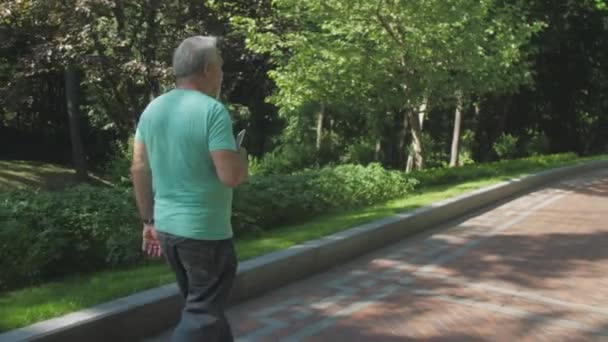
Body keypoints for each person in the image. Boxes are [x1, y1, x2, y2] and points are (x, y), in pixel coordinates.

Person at [130, 35, 248, 342]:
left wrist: (148, 222)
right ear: (208, 69)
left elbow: (139, 167)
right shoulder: (213, 110)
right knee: (202, 313)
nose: (223, 73)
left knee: (202, 308)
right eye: (221, 66)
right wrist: (242, 157)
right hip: (204, 233)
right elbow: (230, 176)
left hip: (168, 229)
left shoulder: (153, 109)